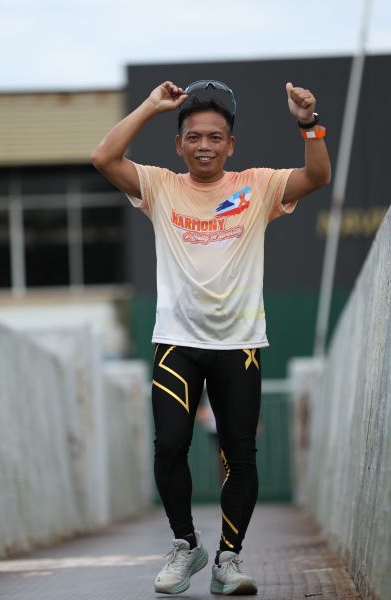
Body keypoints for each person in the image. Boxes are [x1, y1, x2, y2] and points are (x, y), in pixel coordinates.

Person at [92, 79, 331, 596]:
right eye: (194, 137)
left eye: (216, 137)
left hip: (239, 345)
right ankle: (186, 545)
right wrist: (151, 106)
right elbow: (104, 158)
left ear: (231, 144)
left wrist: (308, 124)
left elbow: (317, 176)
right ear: (179, 144)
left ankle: (228, 559)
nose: (205, 146)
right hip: (176, 342)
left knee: (240, 454)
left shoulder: (257, 186)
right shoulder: (160, 186)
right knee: (169, 445)